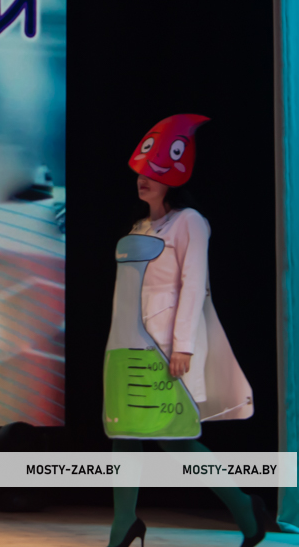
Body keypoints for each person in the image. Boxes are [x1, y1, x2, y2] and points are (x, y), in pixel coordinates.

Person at [105, 114, 265, 547]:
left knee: (175, 440)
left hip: (163, 349)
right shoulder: (139, 227)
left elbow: (194, 285)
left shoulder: (190, 221)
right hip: (125, 346)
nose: (143, 180)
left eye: (154, 173)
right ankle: (124, 523)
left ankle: (242, 505)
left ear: (174, 177)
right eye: (141, 172)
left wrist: (184, 347)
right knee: (124, 434)